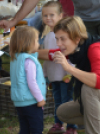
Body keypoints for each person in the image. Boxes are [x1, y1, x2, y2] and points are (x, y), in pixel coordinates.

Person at [37, 16, 100, 134]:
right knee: (62, 112)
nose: (58, 44)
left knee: (88, 89)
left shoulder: (94, 48)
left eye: (62, 39)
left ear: (76, 39)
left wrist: (68, 68)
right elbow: (52, 54)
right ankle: (95, 121)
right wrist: (27, 52)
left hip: (96, 91)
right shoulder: (76, 50)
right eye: (56, 39)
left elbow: (98, 81)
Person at [41, 1, 77, 134]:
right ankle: (58, 123)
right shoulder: (46, 37)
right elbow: (46, 58)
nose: (48, 18)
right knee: (58, 101)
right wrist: (45, 75)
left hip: (64, 75)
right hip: (53, 76)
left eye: (52, 14)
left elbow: (71, 55)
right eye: (45, 15)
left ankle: (72, 126)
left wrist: (70, 72)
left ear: (60, 15)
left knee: (67, 101)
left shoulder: (64, 35)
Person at [9, 25, 46, 134]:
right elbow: (32, 83)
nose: (38, 43)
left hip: (20, 102)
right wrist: (40, 99)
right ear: (29, 43)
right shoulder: (29, 61)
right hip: (31, 102)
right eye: (36, 40)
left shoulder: (15, 58)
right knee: (36, 129)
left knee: (24, 129)